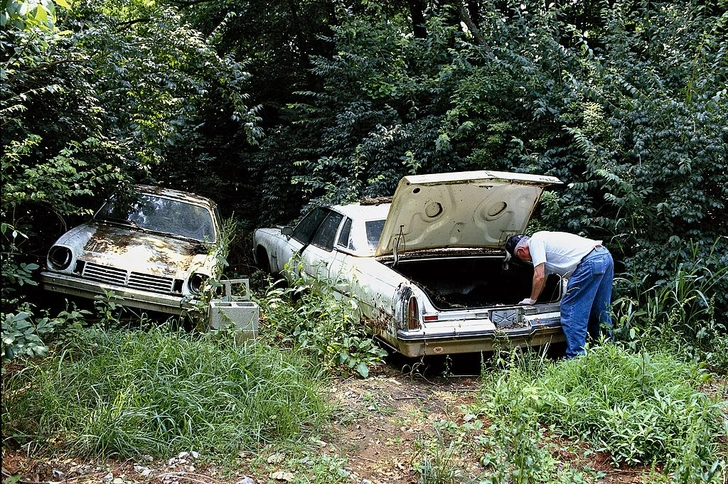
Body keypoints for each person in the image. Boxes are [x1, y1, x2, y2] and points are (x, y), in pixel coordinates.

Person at [505, 231, 614, 358]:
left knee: (571, 309)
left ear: (521, 252)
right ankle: (607, 352)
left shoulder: (535, 240)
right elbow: (543, 280)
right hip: (604, 255)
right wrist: (535, 297)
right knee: (601, 308)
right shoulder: (545, 245)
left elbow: (538, 276)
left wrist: (531, 300)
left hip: (589, 261)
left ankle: (576, 358)